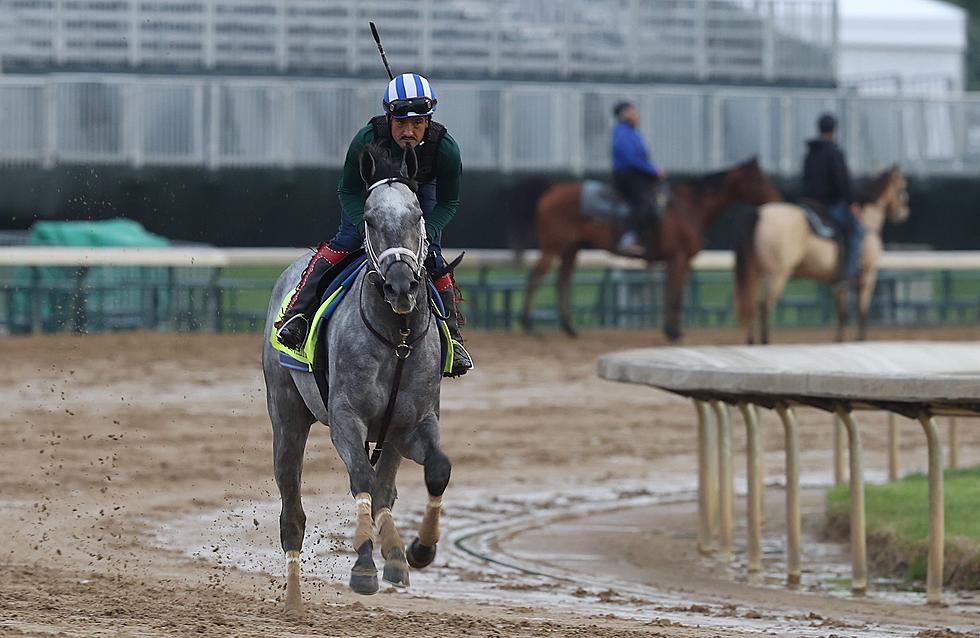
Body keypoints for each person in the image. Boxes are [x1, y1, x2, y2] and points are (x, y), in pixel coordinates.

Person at [275, 72, 473, 377]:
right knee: (346, 243)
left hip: (422, 193)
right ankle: (298, 314)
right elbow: (348, 190)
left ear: (429, 120)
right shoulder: (366, 139)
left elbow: (450, 202)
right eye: (401, 123)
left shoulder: (446, 149)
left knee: (430, 255)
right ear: (388, 117)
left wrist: (425, 230)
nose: (409, 131)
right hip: (371, 194)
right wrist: (362, 225)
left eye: (418, 123)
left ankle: (453, 338)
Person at [801, 113, 864, 283]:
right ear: (834, 130)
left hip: (808, 204)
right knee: (858, 231)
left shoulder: (810, 152)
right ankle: (848, 275)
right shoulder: (834, 152)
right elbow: (842, 181)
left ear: (818, 129)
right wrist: (852, 203)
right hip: (828, 205)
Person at [610, 101, 666, 257]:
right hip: (629, 176)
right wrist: (653, 170)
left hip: (637, 174)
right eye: (633, 112)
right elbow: (631, 159)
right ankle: (628, 240)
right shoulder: (622, 133)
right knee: (642, 204)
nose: (637, 115)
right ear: (624, 115)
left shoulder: (632, 133)